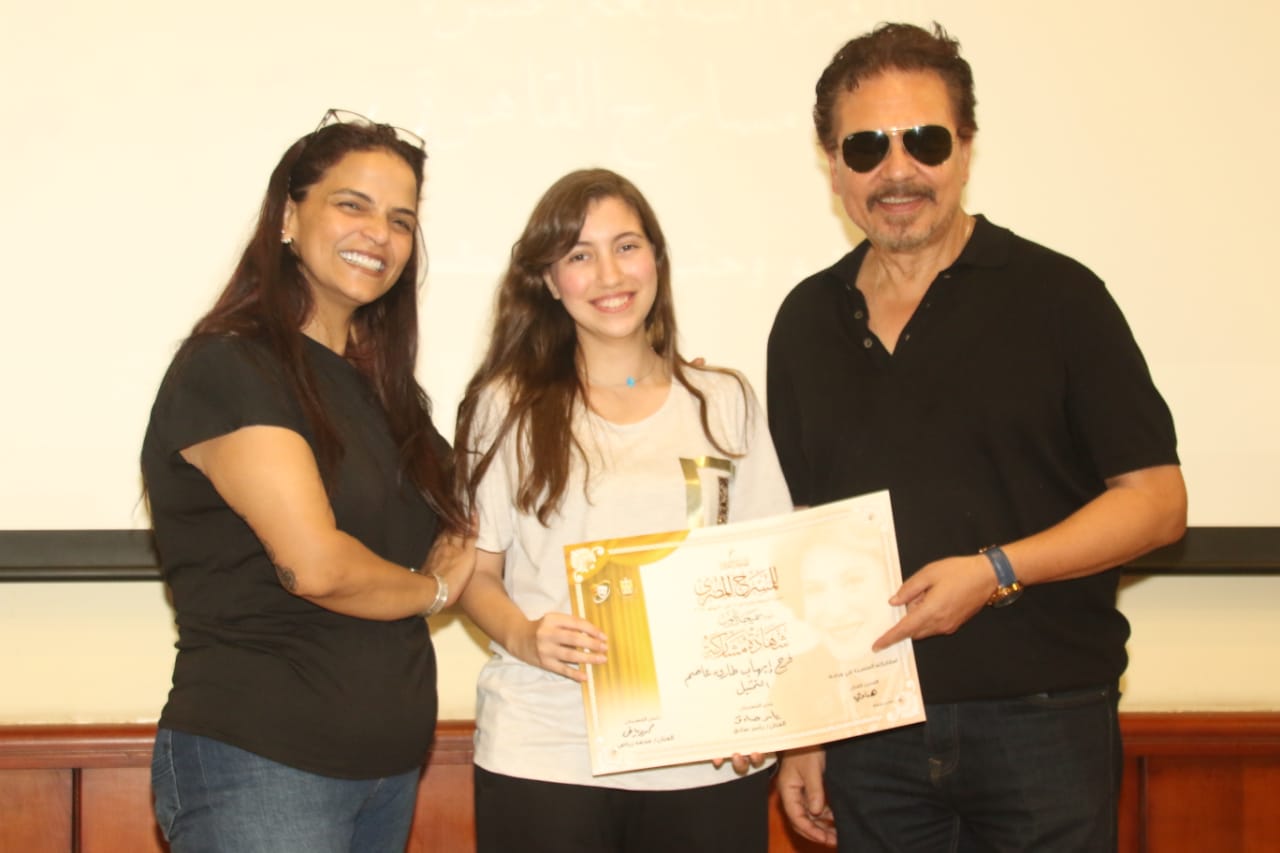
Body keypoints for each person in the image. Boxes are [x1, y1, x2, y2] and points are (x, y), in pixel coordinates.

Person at [766, 23, 1187, 852]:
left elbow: (1157, 502)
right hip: (868, 731)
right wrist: (804, 729)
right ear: (832, 163)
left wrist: (995, 571)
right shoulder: (804, 321)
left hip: (1044, 724)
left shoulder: (1061, 299)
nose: (897, 171)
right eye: (866, 147)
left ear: (964, 147)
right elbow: (802, 533)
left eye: (924, 140)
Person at [141, 110, 476, 853]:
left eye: (401, 220)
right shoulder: (230, 365)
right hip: (262, 763)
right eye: (353, 205)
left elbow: (474, 507)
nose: (379, 234)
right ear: (288, 217)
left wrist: (636, 383)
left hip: (387, 772)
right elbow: (316, 566)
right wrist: (433, 592)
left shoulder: (387, 395)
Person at [453, 168, 793, 853]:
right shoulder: (505, 406)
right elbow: (472, 574)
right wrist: (525, 635)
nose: (609, 274)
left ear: (657, 260)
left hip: (704, 757)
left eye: (627, 246)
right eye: (579, 255)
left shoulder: (724, 400)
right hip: (547, 752)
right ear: (549, 281)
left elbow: (769, 572)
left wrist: (760, 709)